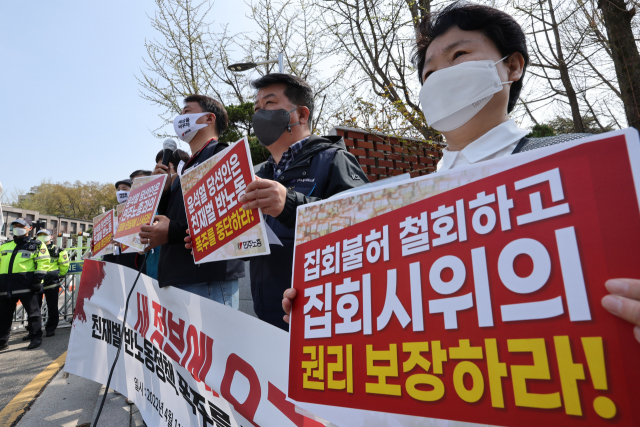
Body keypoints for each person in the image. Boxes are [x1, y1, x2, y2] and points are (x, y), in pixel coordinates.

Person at [282, 2, 640, 344]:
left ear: (512, 66)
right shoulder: (395, 210)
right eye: (430, 73)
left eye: (459, 56)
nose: (441, 79)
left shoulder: (590, 163)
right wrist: (323, 311)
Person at [236, 74, 369, 331]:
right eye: (256, 108)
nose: (259, 115)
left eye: (270, 104)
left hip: (321, 315)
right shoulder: (258, 174)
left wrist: (290, 205)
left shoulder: (334, 160)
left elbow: (364, 225)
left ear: (302, 115)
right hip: (266, 315)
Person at [140, 95, 244, 307]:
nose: (180, 118)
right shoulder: (184, 171)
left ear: (209, 118)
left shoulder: (222, 154)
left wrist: (172, 232)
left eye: (187, 112)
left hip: (208, 279)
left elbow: (228, 218)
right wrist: (164, 193)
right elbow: (173, 218)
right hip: (177, 277)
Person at [0, 218, 49, 350]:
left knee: (33, 314)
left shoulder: (37, 245)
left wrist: (37, 280)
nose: (17, 227)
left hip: (27, 286)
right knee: (4, 316)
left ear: (30, 228)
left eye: (21, 225)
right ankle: (2, 341)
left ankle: (36, 337)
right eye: (15, 225)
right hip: (6, 287)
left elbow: (43, 263)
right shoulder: (5, 246)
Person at [145, 149, 191, 281]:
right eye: (157, 169)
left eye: (164, 168)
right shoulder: (160, 200)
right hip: (164, 275)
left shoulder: (190, 189)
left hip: (192, 276)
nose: (160, 173)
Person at [34, 229, 69, 337]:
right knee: (35, 307)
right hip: (36, 280)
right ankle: (34, 330)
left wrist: (57, 275)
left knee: (52, 306)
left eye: (45, 234)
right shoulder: (34, 248)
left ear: (51, 236)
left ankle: (51, 328)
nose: (42, 236)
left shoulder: (58, 250)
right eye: (40, 234)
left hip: (51, 280)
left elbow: (64, 265)